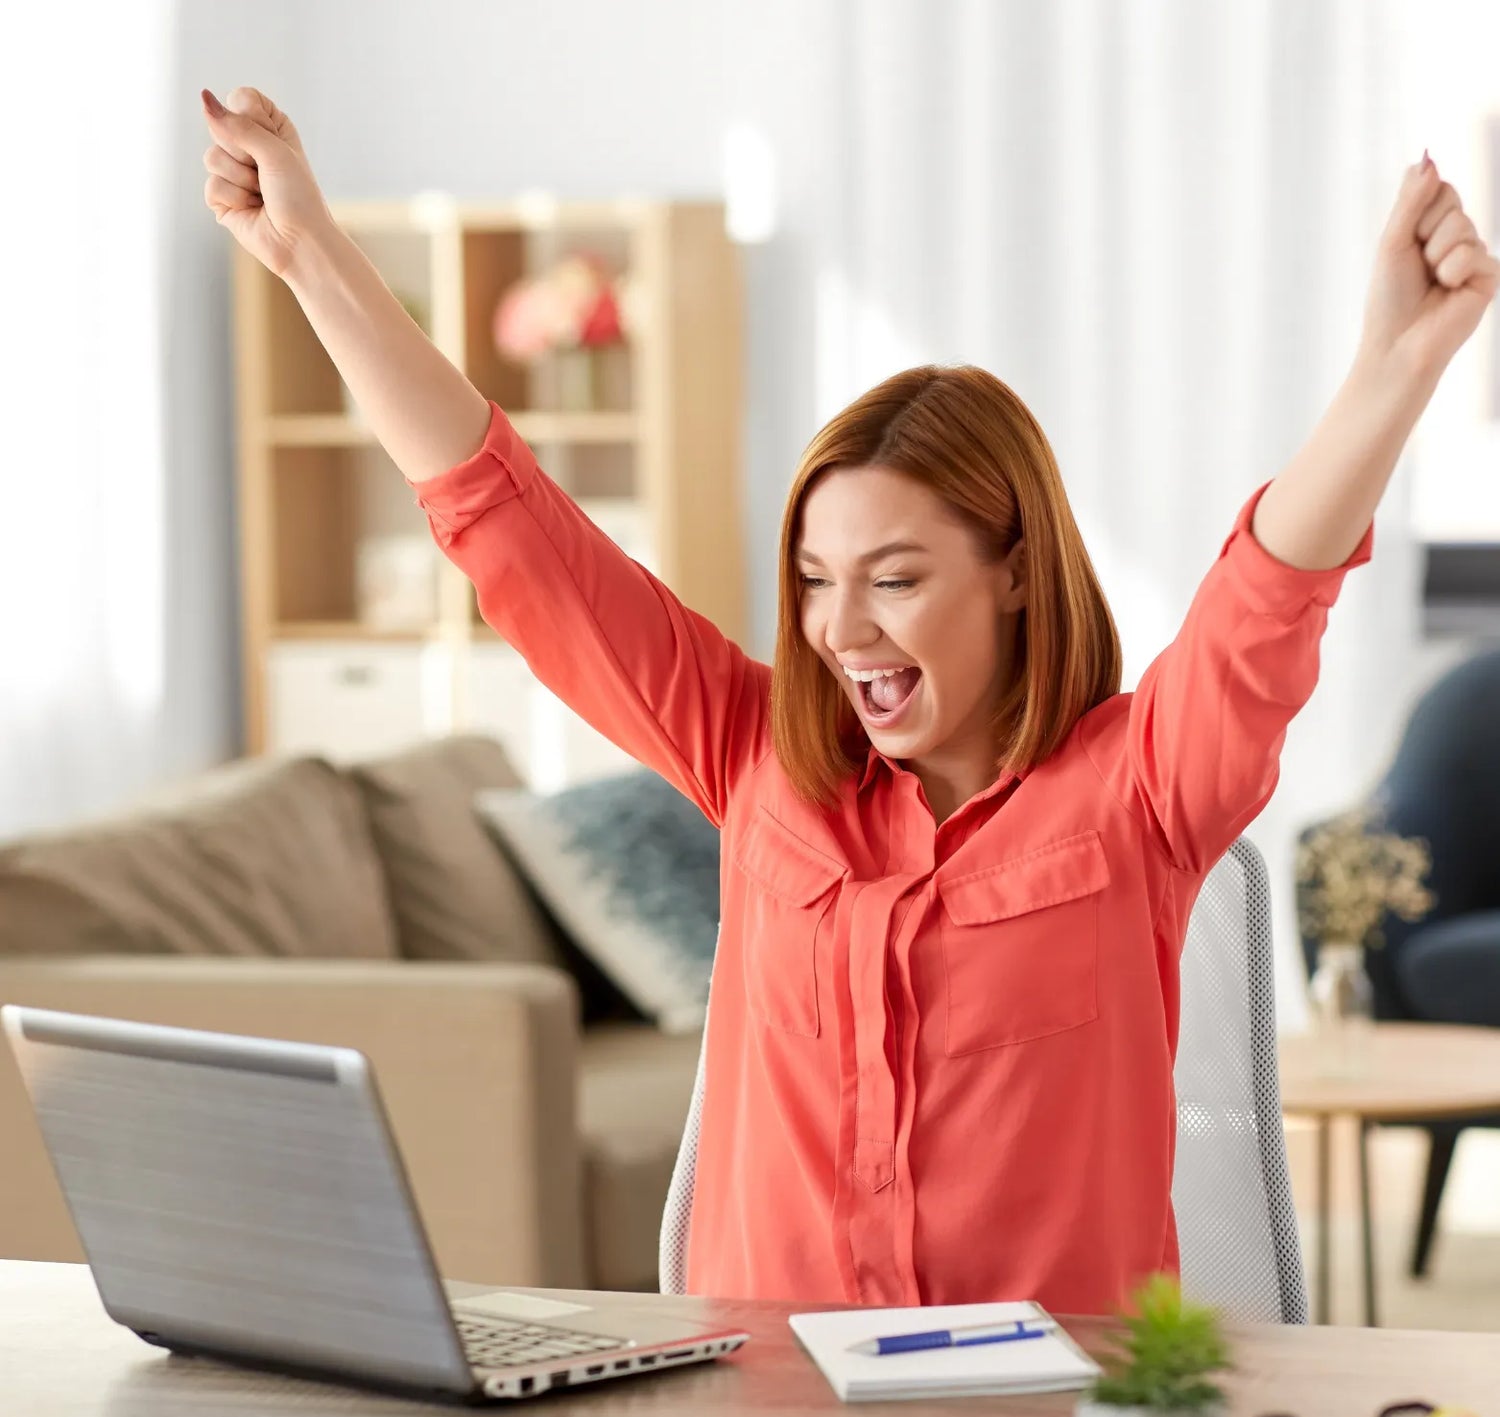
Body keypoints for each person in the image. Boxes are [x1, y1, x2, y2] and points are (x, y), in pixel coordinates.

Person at [201, 86, 1498, 1314]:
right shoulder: (752, 755)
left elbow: (1267, 593)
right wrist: (309, 251)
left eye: (895, 578)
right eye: (816, 582)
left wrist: (1395, 366)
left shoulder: (1143, 789)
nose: (841, 629)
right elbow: (509, 527)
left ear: (1016, 575)